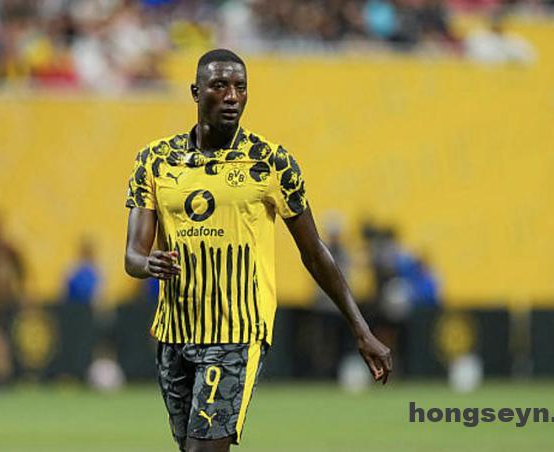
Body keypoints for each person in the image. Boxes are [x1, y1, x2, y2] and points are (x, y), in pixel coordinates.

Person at [124, 48, 392, 452]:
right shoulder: (155, 161)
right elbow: (132, 256)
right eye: (220, 86)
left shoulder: (270, 162)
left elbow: (314, 252)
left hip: (237, 330)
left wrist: (361, 328)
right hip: (174, 332)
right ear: (196, 92)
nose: (232, 96)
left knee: (202, 449)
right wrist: (149, 263)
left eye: (241, 87)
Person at [0, 212, 25, 386]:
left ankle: (1, 376)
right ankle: (1, 375)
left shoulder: (7, 248)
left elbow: (21, 271)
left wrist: (19, 291)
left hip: (0, 301)